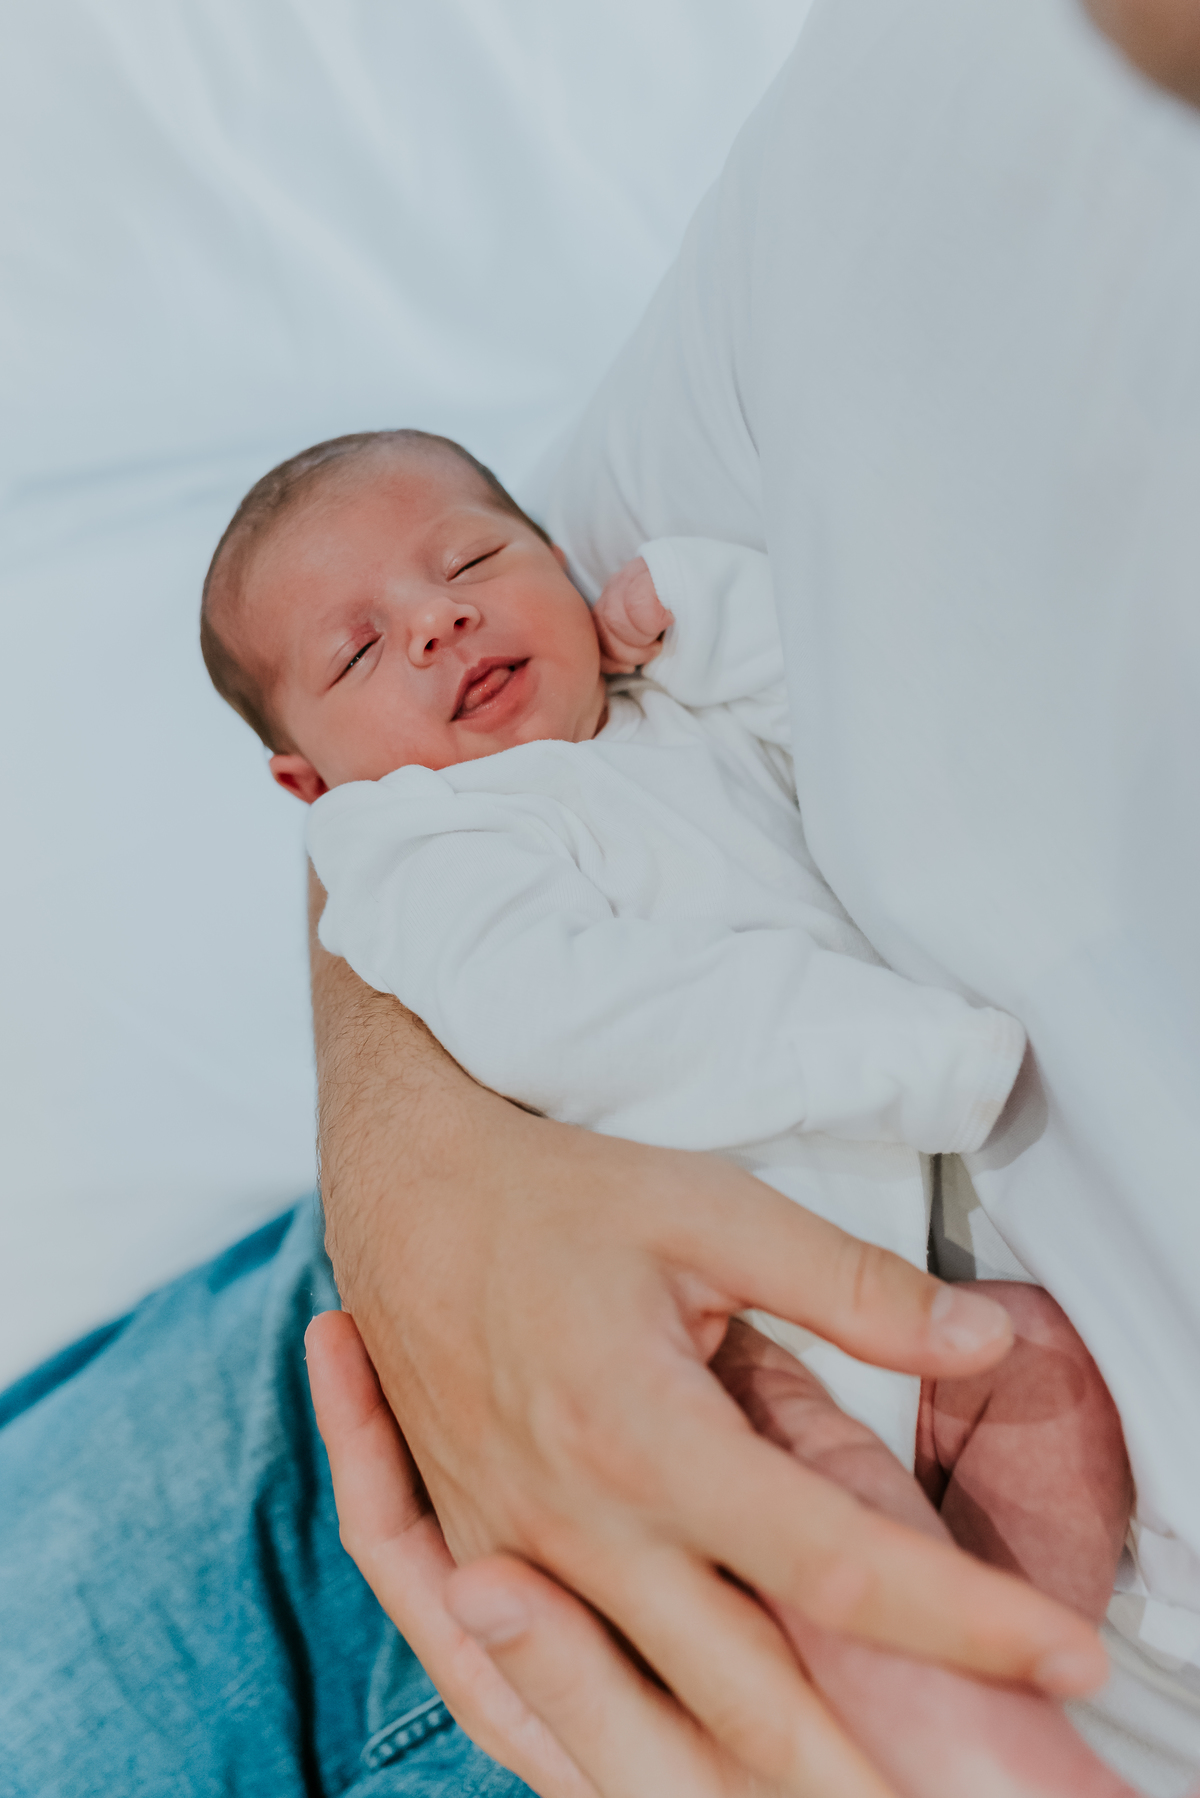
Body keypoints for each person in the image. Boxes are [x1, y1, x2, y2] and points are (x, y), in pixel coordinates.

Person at [198, 422, 1140, 1798]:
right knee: (826, 1535)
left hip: (905, 1309)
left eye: (472, 559)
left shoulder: (666, 720)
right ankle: (985, 1752)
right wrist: (907, 1054)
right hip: (715, 1353)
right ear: (308, 785)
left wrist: (703, 620)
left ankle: (1018, 1699)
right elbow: (584, 1019)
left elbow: (848, 703)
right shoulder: (416, 850)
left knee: (1045, 1382)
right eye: (356, 651)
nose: (438, 620)